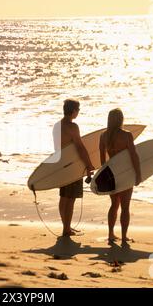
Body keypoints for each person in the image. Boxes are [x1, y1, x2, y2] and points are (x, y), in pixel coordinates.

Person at [99, 108, 142, 244]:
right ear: (121, 119)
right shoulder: (126, 135)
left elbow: (102, 160)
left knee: (114, 205)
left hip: (111, 173)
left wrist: (104, 175)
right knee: (125, 207)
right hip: (125, 173)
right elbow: (133, 155)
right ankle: (124, 238)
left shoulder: (103, 136)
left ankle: (111, 234)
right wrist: (138, 173)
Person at [54, 99, 94, 237]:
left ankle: (66, 225)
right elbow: (80, 148)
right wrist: (89, 165)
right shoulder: (72, 127)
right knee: (70, 199)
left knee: (63, 197)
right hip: (72, 167)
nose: (79, 112)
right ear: (73, 111)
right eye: (78, 109)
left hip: (61, 165)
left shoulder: (57, 126)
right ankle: (66, 229)